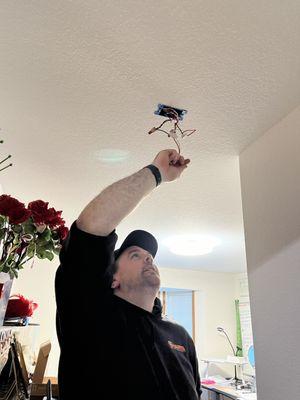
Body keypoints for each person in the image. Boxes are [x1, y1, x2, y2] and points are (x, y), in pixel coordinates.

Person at [55, 149, 202, 399]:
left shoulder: (179, 335)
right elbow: (90, 230)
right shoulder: (92, 314)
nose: (148, 258)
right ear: (113, 278)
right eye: (135, 254)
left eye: (151, 257)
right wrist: (156, 173)